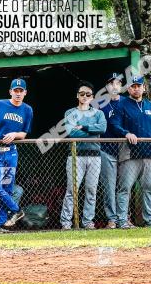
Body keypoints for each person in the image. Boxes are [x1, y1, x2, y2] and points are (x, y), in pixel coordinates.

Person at [0, 78, 34, 232]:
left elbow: (24, 134)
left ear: (25, 93)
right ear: (10, 91)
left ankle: (0, 224)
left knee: (8, 189)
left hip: (11, 153)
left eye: (20, 91)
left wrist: (15, 134)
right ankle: (17, 210)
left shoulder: (27, 109)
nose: (18, 93)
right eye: (15, 90)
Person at [60, 81, 107, 230]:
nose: (85, 96)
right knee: (72, 190)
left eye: (88, 94)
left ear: (92, 97)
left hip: (94, 156)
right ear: (77, 95)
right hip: (75, 156)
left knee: (91, 190)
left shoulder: (99, 113)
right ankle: (66, 222)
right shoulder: (70, 113)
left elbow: (103, 128)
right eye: (82, 94)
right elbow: (71, 132)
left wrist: (85, 127)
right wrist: (92, 131)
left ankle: (88, 222)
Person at [110, 75, 151, 228]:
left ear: (144, 88)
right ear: (128, 89)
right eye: (133, 86)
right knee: (125, 188)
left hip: (149, 155)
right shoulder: (121, 104)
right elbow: (114, 124)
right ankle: (122, 221)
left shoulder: (149, 105)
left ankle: (149, 221)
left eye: (138, 86)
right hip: (129, 154)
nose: (136, 88)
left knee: (149, 189)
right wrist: (126, 133)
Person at [99, 72, 124, 228]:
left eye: (117, 83)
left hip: (126, 151)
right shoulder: (99, 103)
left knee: (124, 187)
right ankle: (112, 219)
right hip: (107, 149)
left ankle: (124, 217)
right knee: (109, 187)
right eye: (111, 83)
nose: (114, 86)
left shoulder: (128, 102)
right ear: (107, 86)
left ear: (121, 85)